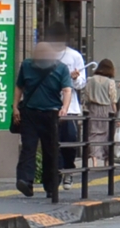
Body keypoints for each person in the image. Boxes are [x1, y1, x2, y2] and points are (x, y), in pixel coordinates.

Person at [12, 42, 72, 201]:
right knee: (29, 148)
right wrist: (15, 107)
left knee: (51, 150)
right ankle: (25, 181)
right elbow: (19, 87)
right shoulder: (27, 65)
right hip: (30, 112)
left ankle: (51, 186)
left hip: (52, 114)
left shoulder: (61, 68)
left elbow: (67, 89)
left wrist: (64, 108)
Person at [51, 34, 87, 184]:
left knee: (70, 140)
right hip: (50, 105)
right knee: (53, 142)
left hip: (70, 107)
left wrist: (74, 78)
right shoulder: (46, 56)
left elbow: (81, 84)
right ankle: (56, 175)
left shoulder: (74, 56)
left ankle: (68, 170)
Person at [81, 59, 120, 167]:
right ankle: (107, 160)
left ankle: (94, 159)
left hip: (93, 109)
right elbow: (113, 100)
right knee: (108, 135)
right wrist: (115, 115)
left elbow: (86, 96)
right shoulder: (110, 82)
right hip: (107, 110)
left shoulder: (90, 80)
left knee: (93, 134)